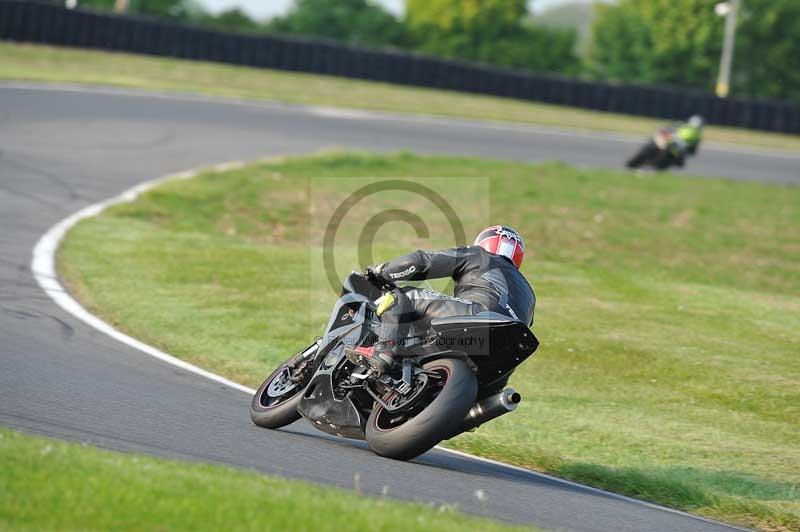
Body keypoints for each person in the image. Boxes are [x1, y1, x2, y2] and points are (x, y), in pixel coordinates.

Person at [360, 225, 536, 372]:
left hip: (479, 316)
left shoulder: (479, 255)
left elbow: (422, 262)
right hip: (506, 355)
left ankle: (383, 351)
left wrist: (381, 271)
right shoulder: (529, 295)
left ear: (484, 242)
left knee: (401, 296)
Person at [626, 114, 704, 169]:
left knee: (679, 162)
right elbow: (666, 129)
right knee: (652, 143)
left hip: (675, 148)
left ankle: (653, 165)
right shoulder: (680, 125)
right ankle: (639, 161)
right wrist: (665, 134)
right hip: (668, 140)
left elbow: (692, 151)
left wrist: (683, 152)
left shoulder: (697, 138)